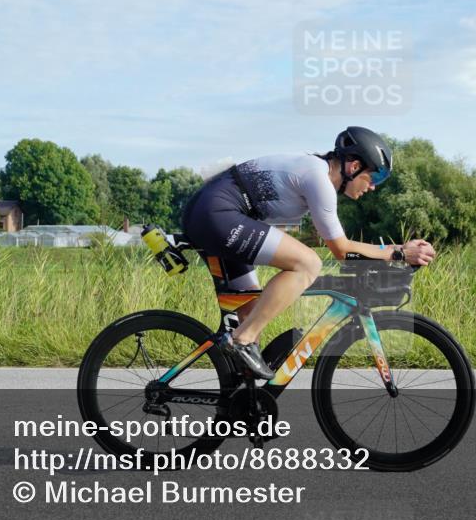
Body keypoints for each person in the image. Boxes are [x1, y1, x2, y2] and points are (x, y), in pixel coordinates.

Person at [181, 126, 436, 379]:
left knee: (251, 313)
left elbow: (340, 246)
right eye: (375, 177)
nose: (373, 187)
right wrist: (399, 253)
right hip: (218, 214)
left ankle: (239, 404)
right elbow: (341, 249)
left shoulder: (314, 172)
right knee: (307, 264)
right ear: (353, 166)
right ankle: (241, 341)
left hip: (214, 214)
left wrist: (394, 250)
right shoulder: (318, 179)